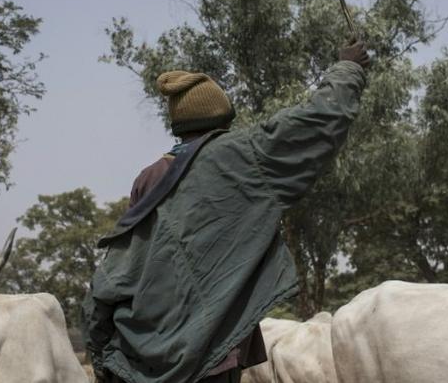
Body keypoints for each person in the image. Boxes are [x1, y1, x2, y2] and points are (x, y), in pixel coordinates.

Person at [82, 41, 371, 383]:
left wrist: (101, 357)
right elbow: (321, 118)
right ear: (222, 118)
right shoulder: (242, 157)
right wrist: (348, 68)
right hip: (209, 359)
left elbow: (119, 272)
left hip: (135, 356)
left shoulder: (149, 177)